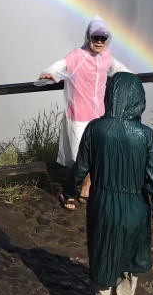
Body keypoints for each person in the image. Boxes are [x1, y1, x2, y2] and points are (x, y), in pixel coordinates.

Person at [62, 72, 153, 295]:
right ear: (139, 99)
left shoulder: (95, 129)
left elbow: (80, 168)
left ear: (110, 96)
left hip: (102, 207)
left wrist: (68, 192)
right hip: (136, 209)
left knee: (102, 261)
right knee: (130, 265)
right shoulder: (147, 136)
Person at [39, 15, 130, 209]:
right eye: (95, 38)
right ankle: (68, 189)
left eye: (103, 38)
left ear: (107, 39)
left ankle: (85, 188)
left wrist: (132, 76)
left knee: (96, 153)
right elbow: (59, 66)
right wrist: (50, 74)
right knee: (78, 155)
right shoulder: (77, 56)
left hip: (99, 114)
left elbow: (119, 68)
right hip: (78, 114)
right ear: (88, 37)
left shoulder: (106, 56)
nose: (99, 42)